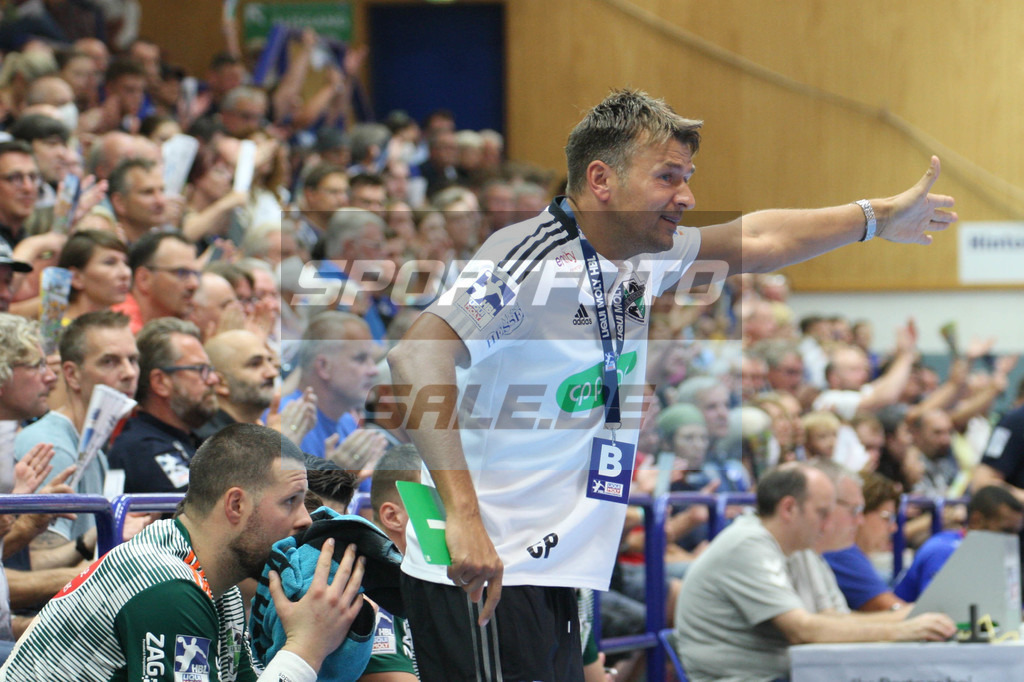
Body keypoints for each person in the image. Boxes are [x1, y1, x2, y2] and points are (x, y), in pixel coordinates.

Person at [386, 89, 957, 680]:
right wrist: (464, 517)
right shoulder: (529, 257)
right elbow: (415, 357)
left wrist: (878, 218)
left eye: (686, 177)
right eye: (667, 177)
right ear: (601, 179)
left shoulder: (639, 256)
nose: (686, 196)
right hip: (486, 564)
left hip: (557, 565)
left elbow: (761, 240)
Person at [0, 423, 369, 681]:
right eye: (290, 502)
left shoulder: (211, 578)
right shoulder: (167, 588)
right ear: (236, 505)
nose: (305, 520)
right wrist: (306, 647)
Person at [673, 464, 955, 681]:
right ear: (788, 508)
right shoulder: (748, 544)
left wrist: (905, 618)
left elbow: (832, 619)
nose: (828, 522)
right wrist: (902, 629)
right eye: (822, 512)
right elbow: (802, 630)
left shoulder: (797, 547)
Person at [107, 318, 218, 493]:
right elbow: (210, 514)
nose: (213, 379)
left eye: (210, 370)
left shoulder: (188, 438)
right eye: (200, 370)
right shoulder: (142, 449)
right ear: (160, 382)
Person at [895, 484, 1024, 602]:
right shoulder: (942, 550)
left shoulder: (998, 556)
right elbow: (938, 609)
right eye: (1006, 531)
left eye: (1016, 532)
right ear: (976, 520)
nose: (1012, 539)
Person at [57, 230, 131, 320]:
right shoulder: (57, 331)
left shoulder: (120, 328)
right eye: (110, 263)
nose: (126, 273)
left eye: (125, 263)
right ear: (76, 278)